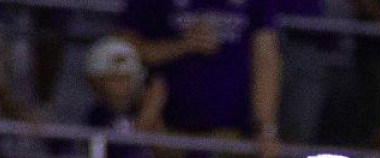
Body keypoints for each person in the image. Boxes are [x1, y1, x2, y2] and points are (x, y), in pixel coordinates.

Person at [118, 0, 280, 149]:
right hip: (164, 131)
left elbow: (265, 61)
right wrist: (182, 45)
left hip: (232, 135)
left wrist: (264, 126)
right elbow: (124, 50)